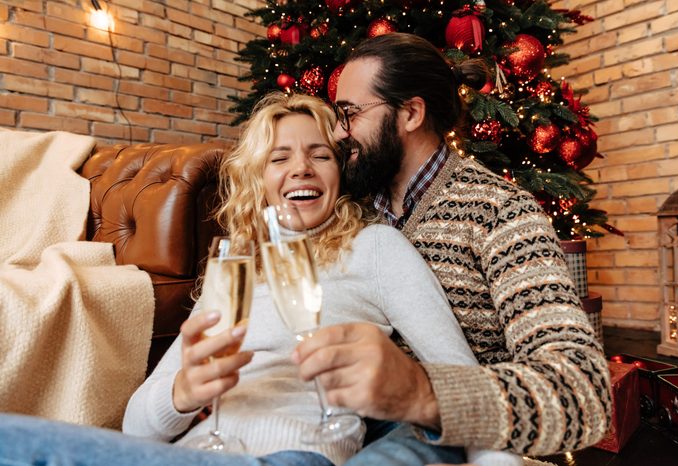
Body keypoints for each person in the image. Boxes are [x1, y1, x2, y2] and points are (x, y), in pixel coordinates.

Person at [0, 92, 519, 466]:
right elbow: (139, 427)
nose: (302, 168)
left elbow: (459, 381)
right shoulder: (235, 269)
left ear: (339, 174)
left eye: (319, 154)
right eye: (280, 157)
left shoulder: (375, 250)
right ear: (260, 181)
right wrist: (180, 392)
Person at [292, 32, 612, 464]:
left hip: (449, 447)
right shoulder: (351, 212)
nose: (337, 132)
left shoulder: (500, 212)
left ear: (410, 112)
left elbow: (583, 393)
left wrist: (424, 394)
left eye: (350, 113)